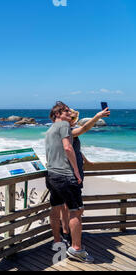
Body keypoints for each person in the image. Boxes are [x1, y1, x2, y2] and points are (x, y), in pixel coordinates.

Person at [45, 101, 93, 263]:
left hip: (52, 175)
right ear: (57, 114)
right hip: (66, 175)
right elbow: (67, 147)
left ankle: (57, 241)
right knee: (76, 211)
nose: (69, 114)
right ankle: (76, 249)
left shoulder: (49, 129)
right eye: (66, 111)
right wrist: (77, 172)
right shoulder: (64, 126)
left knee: (56, 207)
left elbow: (59, 150)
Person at [58, 107, 111, 247]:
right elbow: (84, 128)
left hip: (68, 174)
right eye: (73, 118)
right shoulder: (67, 131)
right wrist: (97, 116)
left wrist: (85, 160)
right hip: (71, 175)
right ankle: (69, 238)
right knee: (74, 209)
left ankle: (66, 234)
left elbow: (74, 150)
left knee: (67, 207)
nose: (75, 121)